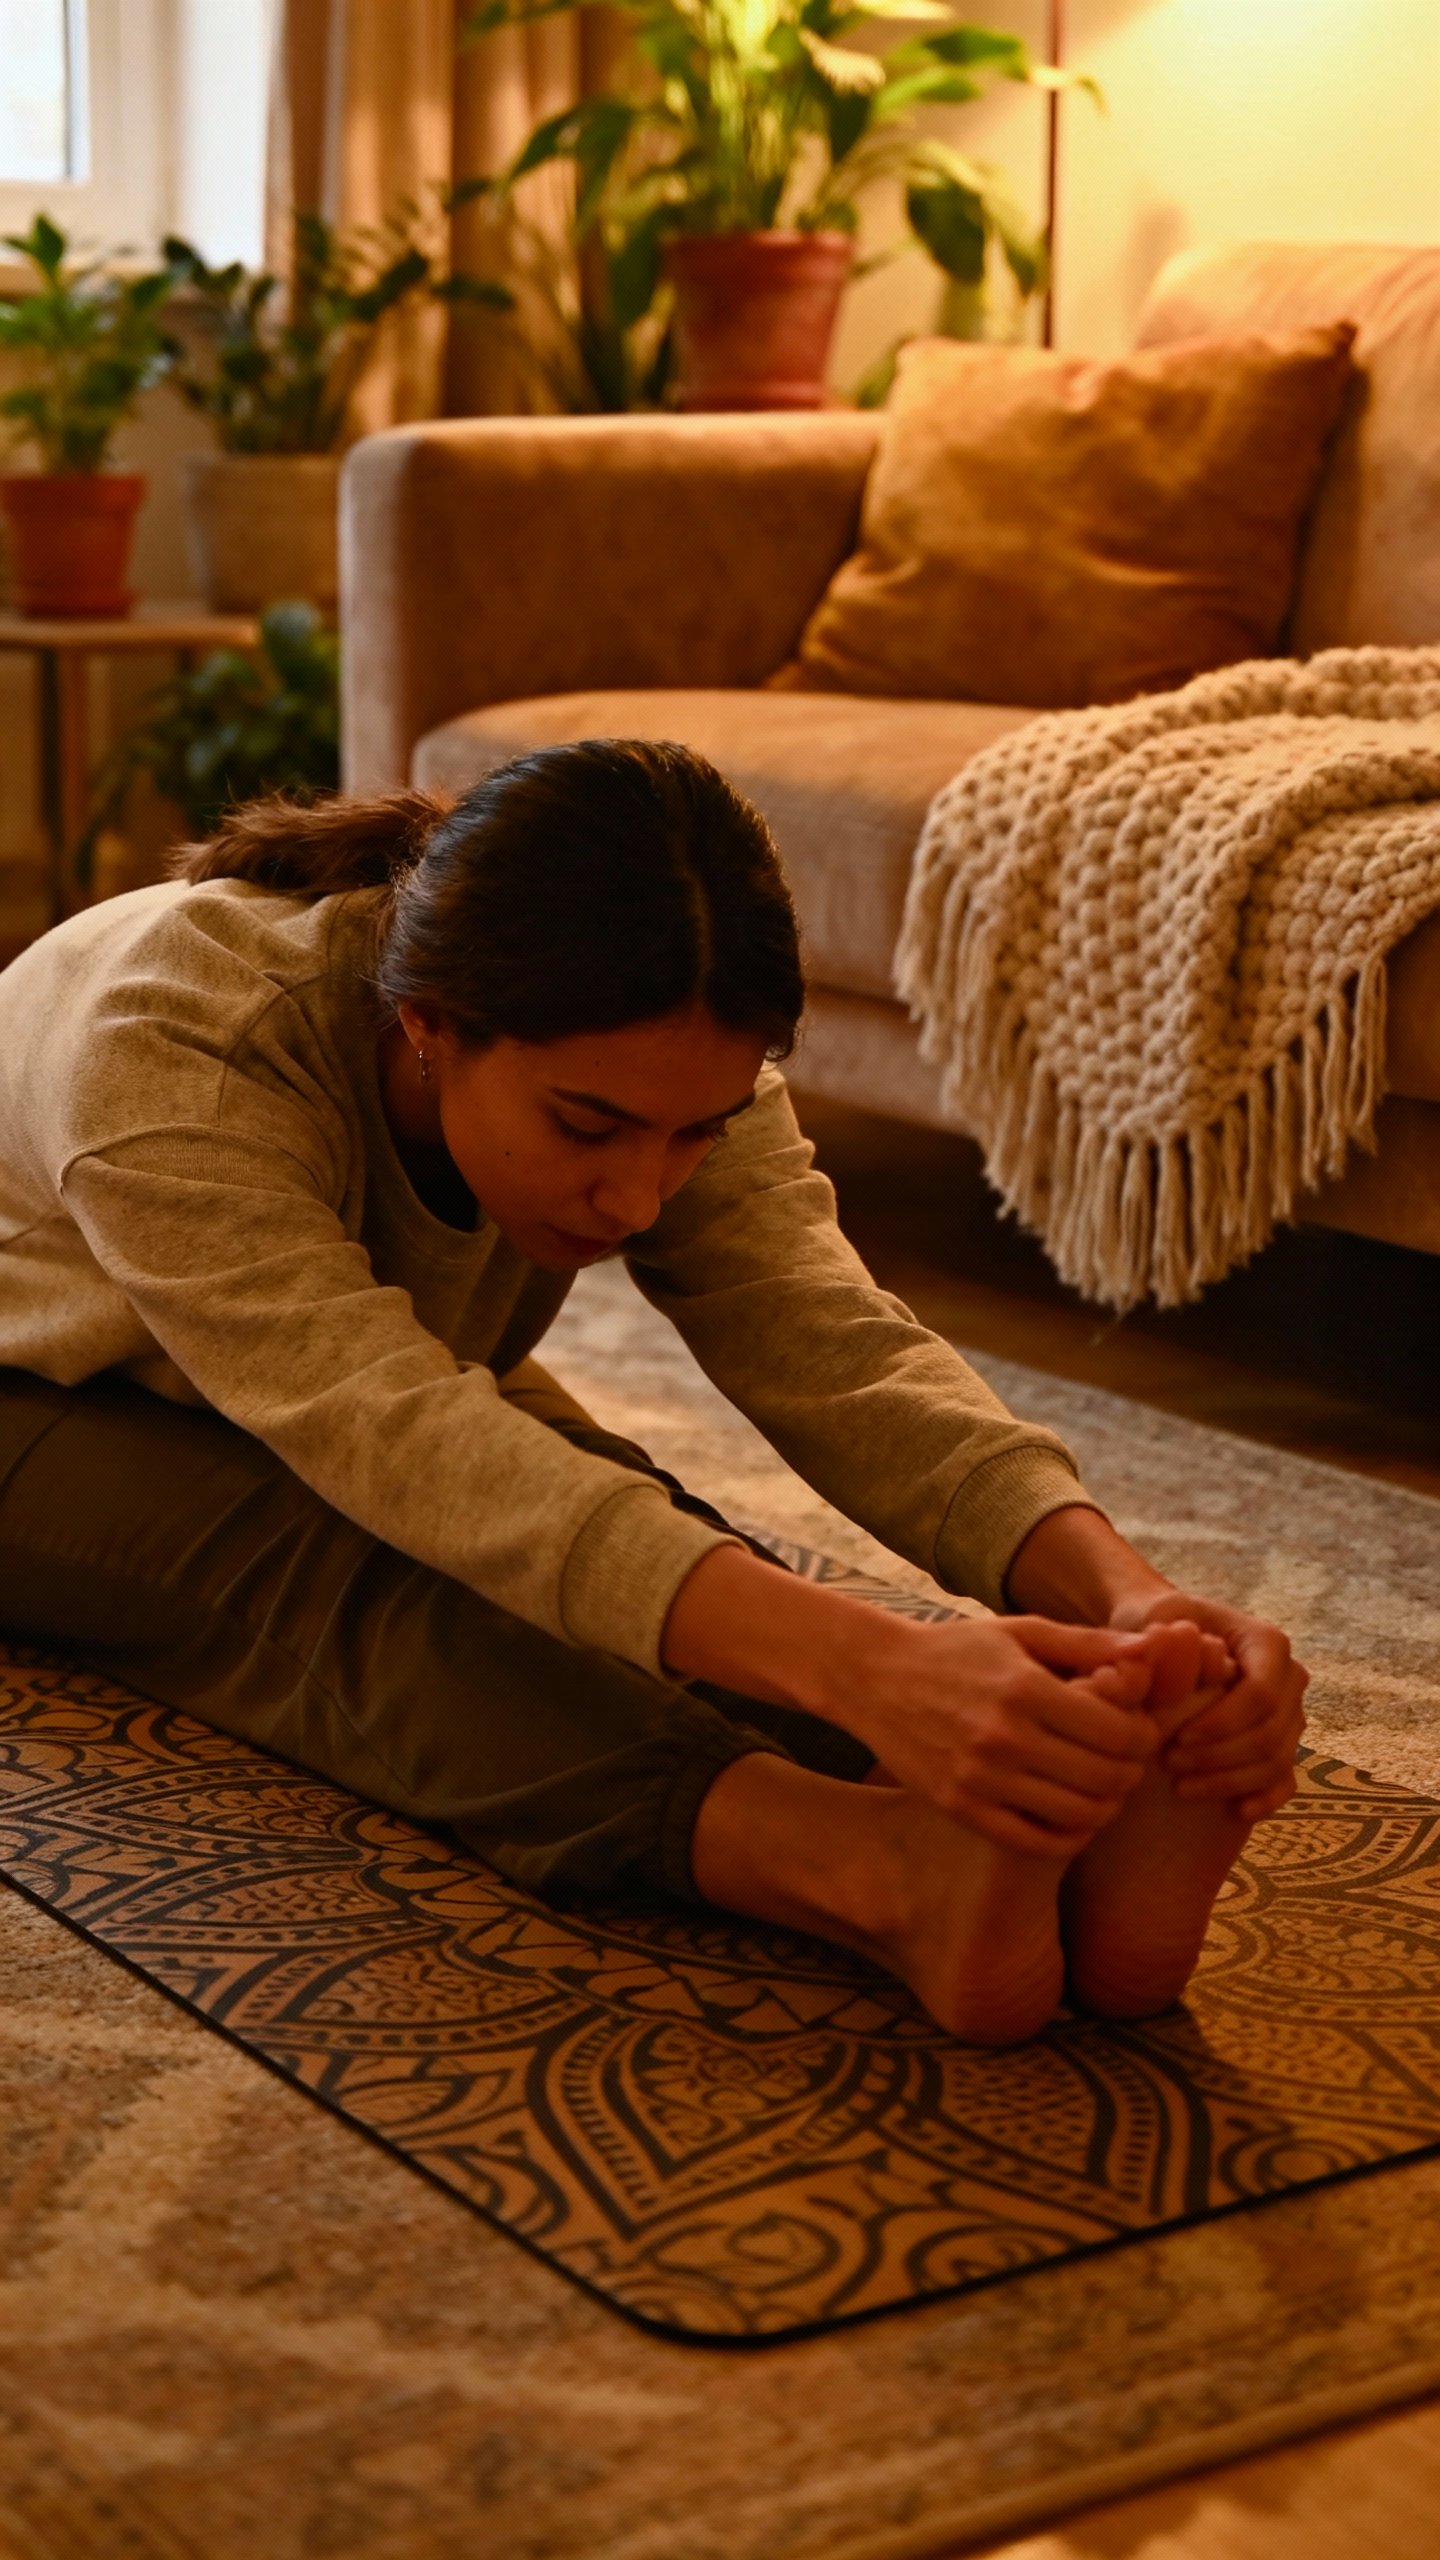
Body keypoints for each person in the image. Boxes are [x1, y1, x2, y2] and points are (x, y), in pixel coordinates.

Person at [0, 740, 1306, 2042]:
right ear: (428, 1022)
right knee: (355, 1568)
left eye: (696, 1135)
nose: (639, 1198)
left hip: (301, 1378)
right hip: (35, 1395)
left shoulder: (662, 1046)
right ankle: (866, 1865)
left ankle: (1026, 1823)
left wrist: (1126, 1608)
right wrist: (870, 1664)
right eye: (587, 1129)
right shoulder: (181, 1051)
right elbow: (389, 1434)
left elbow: (828, 1340)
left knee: (635, 1535)